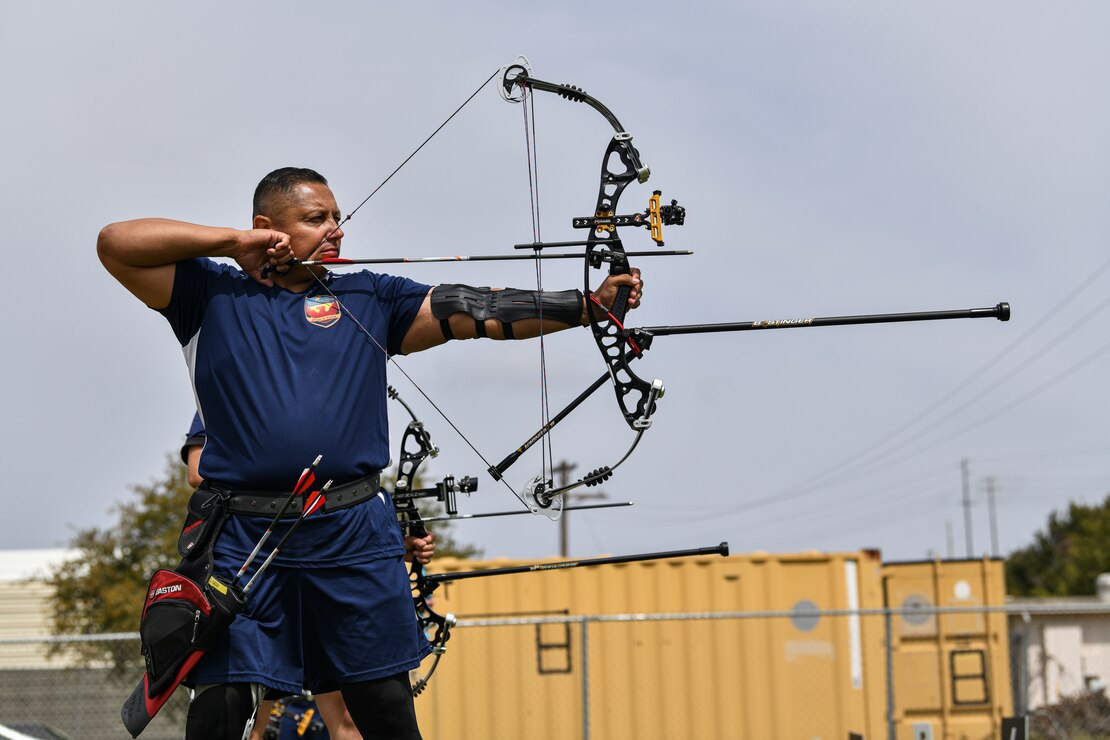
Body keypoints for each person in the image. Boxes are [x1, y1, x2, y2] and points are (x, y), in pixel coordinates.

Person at [97, 166, 643, 740]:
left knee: (383, 705)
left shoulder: (369, 294)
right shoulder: (209, 293)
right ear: (267, 227)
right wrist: (234, 244)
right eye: (316, 219)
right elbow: (116, 243)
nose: (335, 229)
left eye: (338, 217)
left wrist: (585, 306)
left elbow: (474, 309)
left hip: (351, 530)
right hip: (240, 534)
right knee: (222, 706)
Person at [181, 414, 359, 740]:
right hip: (254, 561)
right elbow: (197, 469)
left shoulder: (324, 395)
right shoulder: (236, 388)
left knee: (348, 721)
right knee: (246, 719)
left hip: (323, 557)